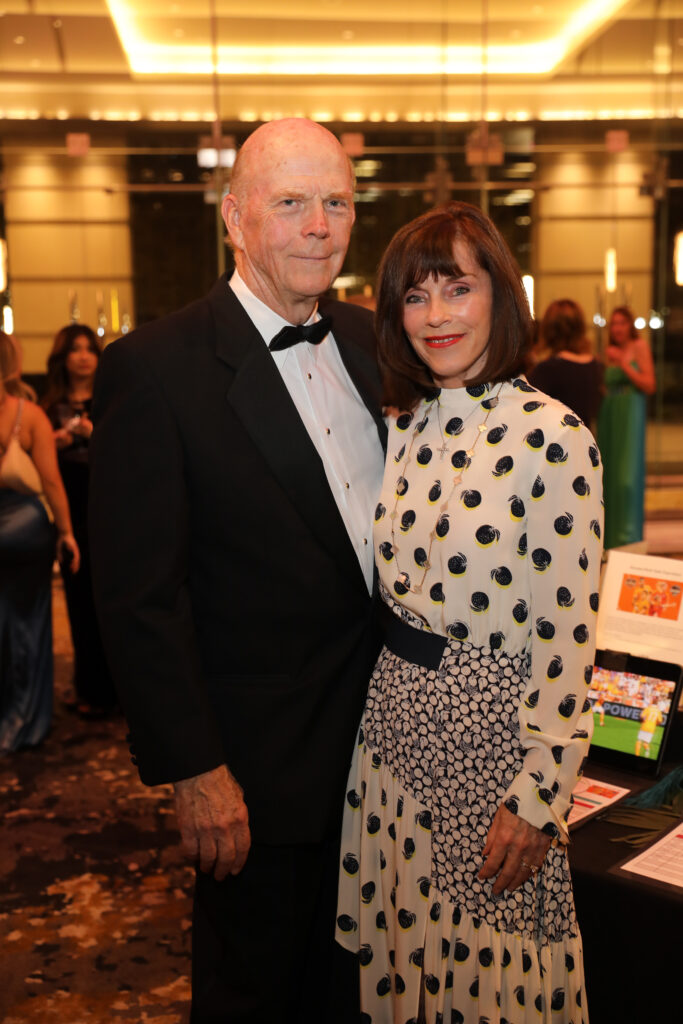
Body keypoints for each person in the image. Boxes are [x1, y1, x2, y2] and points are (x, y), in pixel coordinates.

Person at [88, 118, 387, 1023]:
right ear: (234, 216)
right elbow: (139, 599)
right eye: (290, 202)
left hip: (388, 763)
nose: (318, 225)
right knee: (255, 996)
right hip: (257, 774)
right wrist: (194, 769)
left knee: (366, 992)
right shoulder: (154, 368)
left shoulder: (383, 345)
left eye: (335, 202)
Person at [336, 201, 603, 1024]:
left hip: (493, 751)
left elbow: (567, 643)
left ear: (501, 294)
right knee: (407, 964)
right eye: (415, 297)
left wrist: (538, 798)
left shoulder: (553, 437)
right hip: (392, 738)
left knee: (490, 981)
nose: (437, 316)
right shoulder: (405, 424)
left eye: (457, 287)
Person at [0, 331, 80, 755]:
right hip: (26, 530)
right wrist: (67, 533)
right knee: (28, 623)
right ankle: (25, 723)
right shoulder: (28, 415)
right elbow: (50, 481)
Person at [43, 323, 117, 718]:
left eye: (90, 348)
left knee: (113, 597)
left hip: (108, 505)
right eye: (75, 348)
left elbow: (132, 450)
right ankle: (88, 687)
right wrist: (52, 443)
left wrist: (95, 434)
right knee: (78, 596)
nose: (84, 355)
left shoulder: (111, 399)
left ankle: (119, 689)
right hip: (69, 509)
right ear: (63, 357)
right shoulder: (47, 406)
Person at [597, 306, 655, 549]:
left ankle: (629, 540)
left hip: (631, 412)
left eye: (622, 323)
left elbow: (649, 384)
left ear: (630, 326)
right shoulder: (605, 351)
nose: (618, 328)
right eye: (614, 323)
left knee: (627, 478)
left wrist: (624, 364)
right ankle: (608, 541)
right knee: (608, 476)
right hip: (609, 413)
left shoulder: (638, 348)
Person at [527, 298, 604, 431]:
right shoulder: (596, 366)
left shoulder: (547, 369)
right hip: (585, 442)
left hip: (556, 444)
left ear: (549, 330)